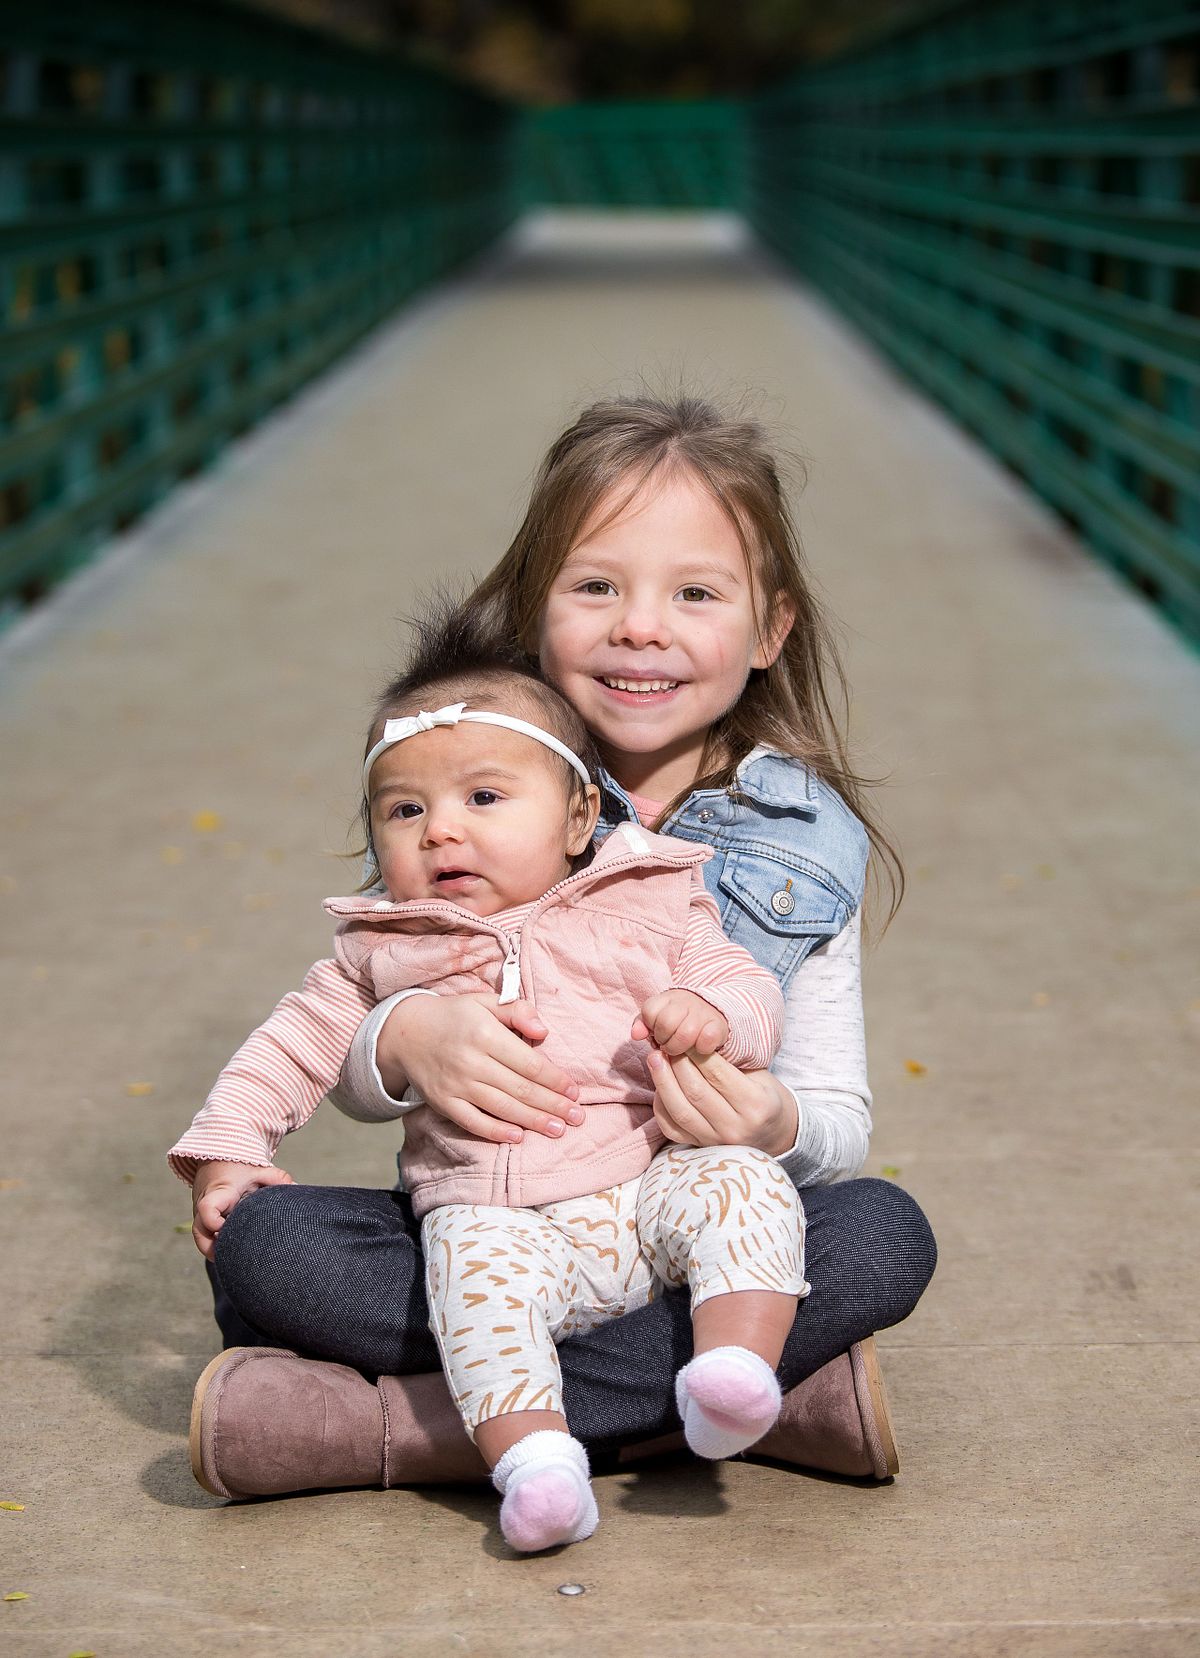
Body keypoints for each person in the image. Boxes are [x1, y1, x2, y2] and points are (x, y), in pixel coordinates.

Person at [191, 392, 937, 1505]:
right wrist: (405, 1040)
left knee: (880, 1233)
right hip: (493, 1226)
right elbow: (349, 1004)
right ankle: (740, 1403)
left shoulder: (803, 842)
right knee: (266, 1248)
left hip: (685, 1222)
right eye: (596, 587)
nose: (641, 627)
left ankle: (408, 1430)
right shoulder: (467, 765)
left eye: (695, 593)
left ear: (770, 630)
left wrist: (771, 1123)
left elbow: (836, 1121)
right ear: (535, 608)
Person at [170, 625, 807, 1552]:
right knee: (424, 1281)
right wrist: (227, 1153)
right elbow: (286, 1051)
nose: (441, 829)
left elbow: (747, 985)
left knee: (758, 1190)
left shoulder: (652, 899)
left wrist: (715, 1015)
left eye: (483, 797)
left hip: (651, 1187)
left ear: (579, 820)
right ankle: (540, 1463)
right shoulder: (381, 951)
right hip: (496, 1218)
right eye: (404, 810)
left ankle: (734, 1374)